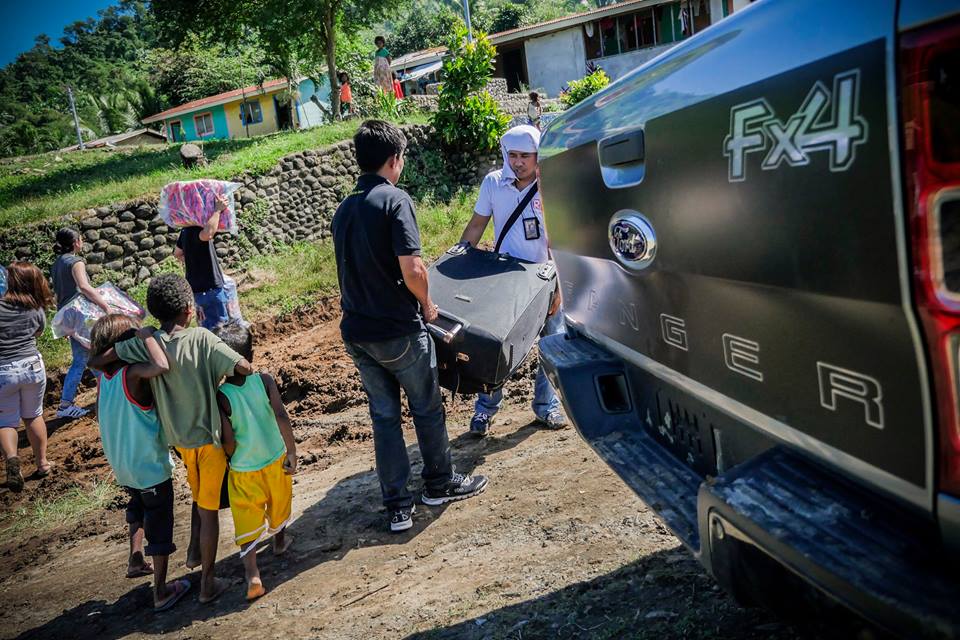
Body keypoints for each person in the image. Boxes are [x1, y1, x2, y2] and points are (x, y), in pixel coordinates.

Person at [332, 120, 488, 533]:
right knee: (426, 407)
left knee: (384, 417)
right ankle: (439, 484)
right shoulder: (395, 201)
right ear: (394, 159)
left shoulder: (344, 208)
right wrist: (427, 304)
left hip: (358, 332)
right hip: (398, 330)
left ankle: (398, 507)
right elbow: (414, 269)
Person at [90, 273, 252, 605]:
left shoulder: (134, 355)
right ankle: (206, 584)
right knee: (208, 510)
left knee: (198, 497)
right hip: (206, 442)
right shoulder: (201, 339)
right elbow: (244, 367)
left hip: (177, 446)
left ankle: (193, 554)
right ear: (190, 308)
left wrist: (141, 338)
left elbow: (97, 360)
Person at [458, 125, 566, 436]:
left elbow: (558, 238)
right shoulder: (493, 183)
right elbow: (477, 225)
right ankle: (485, 408)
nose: (517, 162)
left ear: (538, 156)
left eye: (525, 156)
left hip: (544, 277)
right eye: (513, 155)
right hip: (504, 279)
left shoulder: (550, 186)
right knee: (494, 346)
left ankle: (546, 405)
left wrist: (559, 285)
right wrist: (459, 260)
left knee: (552, 342)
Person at [89, 313, 191, 612]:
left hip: (123, 465)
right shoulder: (132, 374)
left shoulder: (104, 380)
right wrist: (146, 335)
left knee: (137, 507)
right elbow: (162, 365)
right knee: (159, 521)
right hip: (149, 468)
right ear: (124, 345)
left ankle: (135, 558)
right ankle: (161, 591)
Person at [213, 323, 296, 601]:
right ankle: (280, 542)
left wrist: (229, 457)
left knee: (246, 519)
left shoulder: (222, 396)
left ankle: (253, 574)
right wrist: (292, 451)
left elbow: (228, 440)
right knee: (279, 502)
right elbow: (281, 416)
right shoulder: (265, 381)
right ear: (251, 354)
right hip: (274, 458)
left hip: (243, 469)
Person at [0, 262, 53, 490]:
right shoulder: (35, 307)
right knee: (33, 415)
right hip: (32, 366)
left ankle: (13, 461)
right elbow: (38, 332)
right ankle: (42, 463)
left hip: (3, 371)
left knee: (6, 422)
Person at [51, 228, 110, 419]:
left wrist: (64, 323)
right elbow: (84, 287)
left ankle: (106, 392)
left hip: (67, 315)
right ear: (76, 242)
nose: (82, 241)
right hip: (80, 314)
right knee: (84, 357)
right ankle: (65, 405)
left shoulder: (56, 264)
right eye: (81, 239)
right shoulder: (76, 262)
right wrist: (106, 306)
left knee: (89, 355)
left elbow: (58, 296)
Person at [174, 193, 232, 330]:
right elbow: (208, 233)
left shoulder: (185, 230)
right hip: (210, 289)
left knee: (205, 327)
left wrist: (194, 261)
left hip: (196, 290)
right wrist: (217, 210)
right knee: (220, 329)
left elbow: (177, 254)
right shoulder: (196, 229)